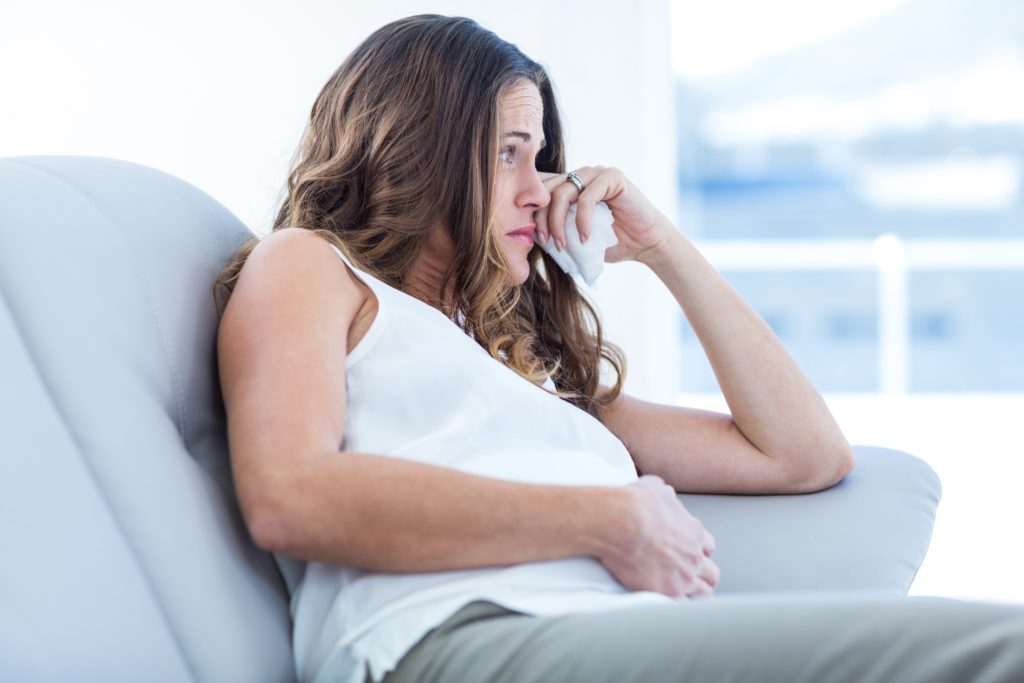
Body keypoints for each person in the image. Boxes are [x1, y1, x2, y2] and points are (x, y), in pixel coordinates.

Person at [212, 13, 1024, 683]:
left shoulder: (513, 369)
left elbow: (805, 453)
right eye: (506, 153)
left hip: (600, 633)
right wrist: (610, 519)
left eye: (541, 158)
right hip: (457, 641)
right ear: (417, 147)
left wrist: (663, 244)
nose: (538, 189)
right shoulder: (312, 268)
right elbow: (292, 494)